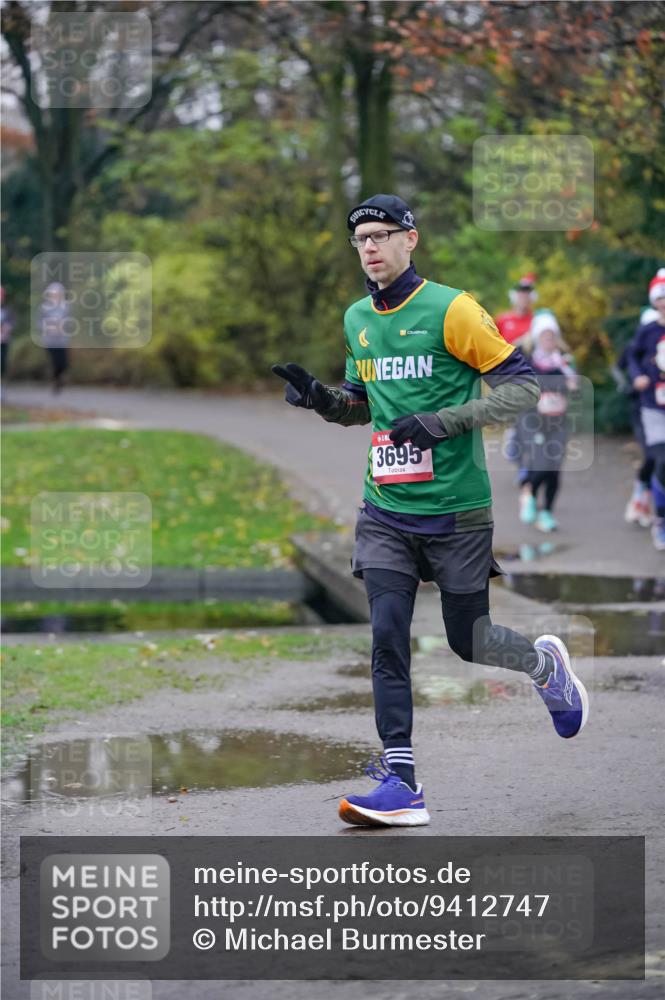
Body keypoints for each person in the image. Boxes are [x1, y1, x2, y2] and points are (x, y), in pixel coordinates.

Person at [272, 194, 590, 828]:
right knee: (387, 638)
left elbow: (525, 387)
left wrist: (444, 423)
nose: (369, 247)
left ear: (410, 240)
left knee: (468, 641)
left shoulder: (452, 309)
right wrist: (321, 401)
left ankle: (543, 665)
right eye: (360, 238)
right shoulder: (357, 317)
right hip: (386, 508)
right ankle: (401, 782)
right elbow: (363, 403)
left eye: (382, 235)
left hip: (457, 510)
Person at [515, 311, 578, 533]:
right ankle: (529, 492)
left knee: (554, 470)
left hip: (558, 423)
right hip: (532, 421)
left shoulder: (565, 361)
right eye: (544, 335)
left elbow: (577, 393)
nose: (549, 340)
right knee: (542, 464)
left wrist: (571, 382)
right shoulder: (527, 361)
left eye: (552, 336)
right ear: (537, 337)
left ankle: (547, 512)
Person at [626, 268, 665, 551]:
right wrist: (637, 374)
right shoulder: (648, 330)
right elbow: (630, 356)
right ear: (656, 301)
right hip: (653, 407)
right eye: (662, 298)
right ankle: (660, 520)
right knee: (662, 461)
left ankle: (644, 492)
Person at [39, 281, 71, 393]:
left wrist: (62, 327)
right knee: (55, 361)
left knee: (64, 363)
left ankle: (59, 379)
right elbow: (40, 322)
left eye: (58, 293)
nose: (56, 295)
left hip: (62, 339)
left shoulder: (66, 307)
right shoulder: (44, 308)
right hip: (50, 340)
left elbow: (70, 321)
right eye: (54, 293)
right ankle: (56, 381)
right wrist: (49, 328)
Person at [495, 274, 537, 346]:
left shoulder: (536, 320)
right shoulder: (502, 319)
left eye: (526, 296)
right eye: (521, 296)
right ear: (514, 297)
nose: (524, 299)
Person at [1, 286, 15, 379]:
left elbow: (11, 323)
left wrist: (6, 330)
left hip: (4, 340)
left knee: (2, 362)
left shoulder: (8, 309)